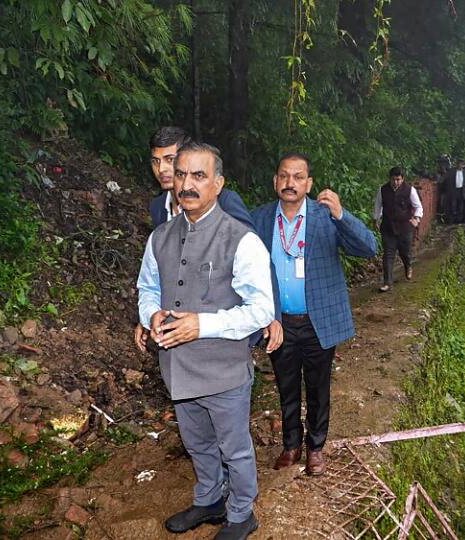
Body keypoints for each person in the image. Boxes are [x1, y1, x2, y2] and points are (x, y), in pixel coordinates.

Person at [137, 142, 274, 539]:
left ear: (218, 184)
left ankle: (241, 514)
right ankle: (209, 498)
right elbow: (147, 287)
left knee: (235, 449)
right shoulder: (159, 237)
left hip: (223, 371)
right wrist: (152, 314)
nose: (187, 184)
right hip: (177, 369)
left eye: (199, 176)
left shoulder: (241, 239)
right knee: (197, 443)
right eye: (181, 174)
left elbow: (261, 309)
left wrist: (203, 325)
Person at [250, 152, 377, 476]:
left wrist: (342, 214)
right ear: (275, 181)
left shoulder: (324, 217)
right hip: (279, 324)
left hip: (317, 321)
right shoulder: (260, 219)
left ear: (308, 183)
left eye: (297, 177)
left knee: (319, 388)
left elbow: (368, 248)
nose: (290, 183)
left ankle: (315, 447)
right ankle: (291, 445)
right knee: (286, 386)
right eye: (284, 176)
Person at [134, 127, 254, 353]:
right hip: (177, 331)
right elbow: (161, 270)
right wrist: (148, 316)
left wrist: (271, 316)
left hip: (222, 333)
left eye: (170, 160)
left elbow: (256, 260)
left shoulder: (224, 201)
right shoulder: (158, 207)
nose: (162, 169)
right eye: (155, 161)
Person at [373, 167, 423, 291]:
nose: (396, 182)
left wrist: (416, 218)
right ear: (390, 178)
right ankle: (387, 282)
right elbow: (378, 206)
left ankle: (408, 266)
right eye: (394, 179)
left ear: (403, 179)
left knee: (405, 252)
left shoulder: (410, 190)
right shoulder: (382, 190)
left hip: (404, 227)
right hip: (388, 227)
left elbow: (418, 207)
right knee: (388, 255)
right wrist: (375, 219)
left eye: (398, 179)